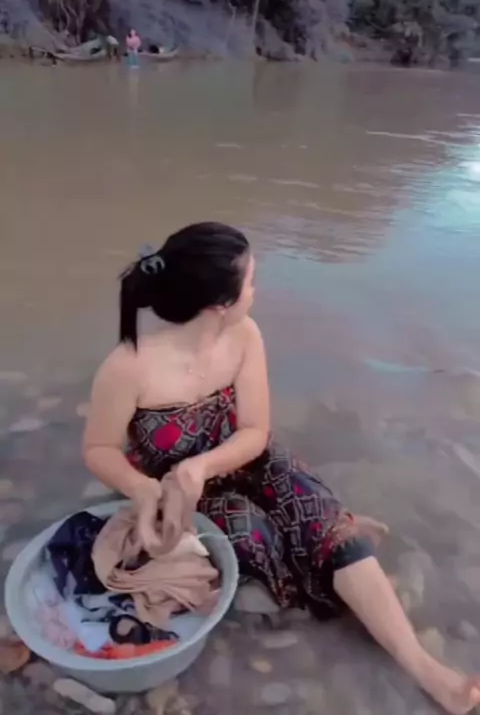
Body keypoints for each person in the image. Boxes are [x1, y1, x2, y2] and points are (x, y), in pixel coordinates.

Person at [83, 222, 480, 714]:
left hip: (241, 457)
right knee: (254, 536)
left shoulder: (244, 336)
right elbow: (99, 448)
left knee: (322, 520)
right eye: (251, 280)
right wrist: (142, 489)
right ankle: (343, 583)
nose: (257, 290)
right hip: (177, 489)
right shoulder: (127, 366)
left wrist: (204, 464)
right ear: (219, 304)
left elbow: (255, 431)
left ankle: (427, 669)